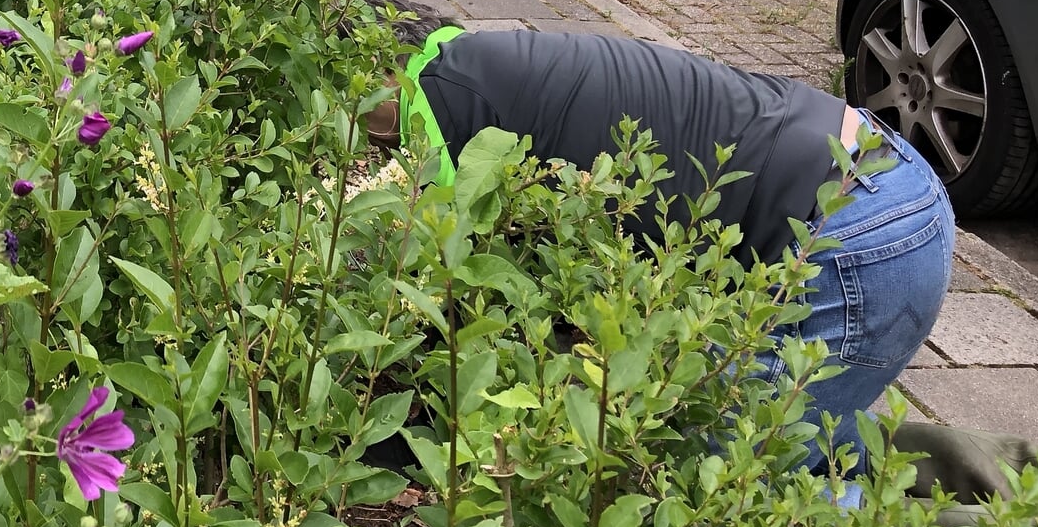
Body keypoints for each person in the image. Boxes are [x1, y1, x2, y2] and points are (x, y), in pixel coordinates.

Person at [372, 26, 955, 472]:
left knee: (725, 485)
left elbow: (459, 280)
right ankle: (950, 478)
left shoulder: (444, 125)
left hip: (857, 233)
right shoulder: (464, 59)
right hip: (886, 170)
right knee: (820, 449)